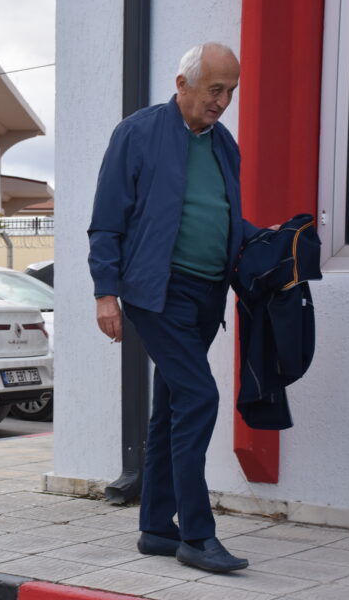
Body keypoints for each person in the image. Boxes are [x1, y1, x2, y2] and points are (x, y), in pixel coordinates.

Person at [88, 43, 259, 572]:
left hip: (209, 294)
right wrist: (105, 292)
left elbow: (222, 214)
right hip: (157, 292)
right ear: (183, 84)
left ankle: (157, 528)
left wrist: (265, 239)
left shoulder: (224, 144)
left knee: (171, 407)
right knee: (200, 396)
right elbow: (107, 220)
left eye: (231, 91)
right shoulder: (137, 133)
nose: (223, 101)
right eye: (215, 89)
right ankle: (197, 536)